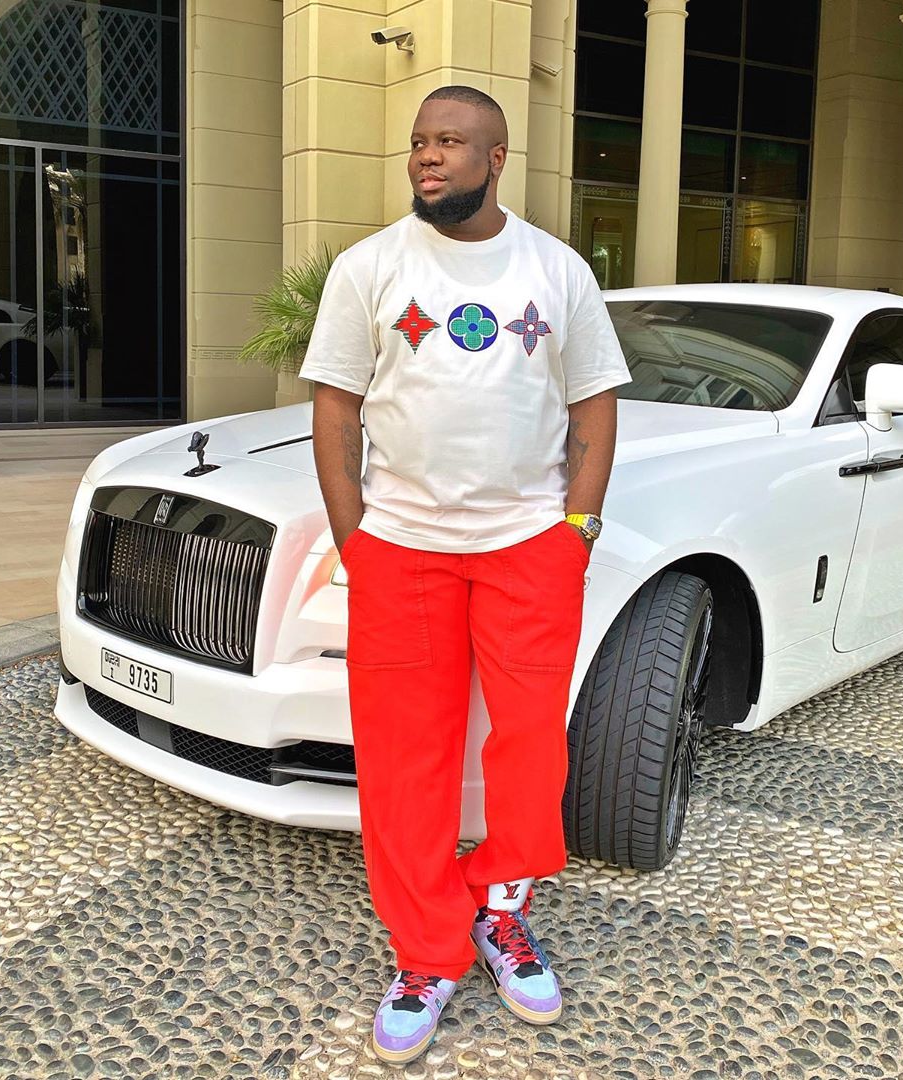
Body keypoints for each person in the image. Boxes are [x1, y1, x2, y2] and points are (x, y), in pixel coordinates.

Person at [297, 84, 632, 1065]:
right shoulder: (369, 268)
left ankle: (499, 908)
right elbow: (335, 407)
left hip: (529, 544)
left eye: (449, 141)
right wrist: (358, 539)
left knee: (530, 751)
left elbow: (595, 404)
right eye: (419, 142)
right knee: (406, 760)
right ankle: (426, 951)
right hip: (401, 548)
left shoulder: (557, 269)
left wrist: (577, 529)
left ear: (497, 158)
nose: (427, 157)